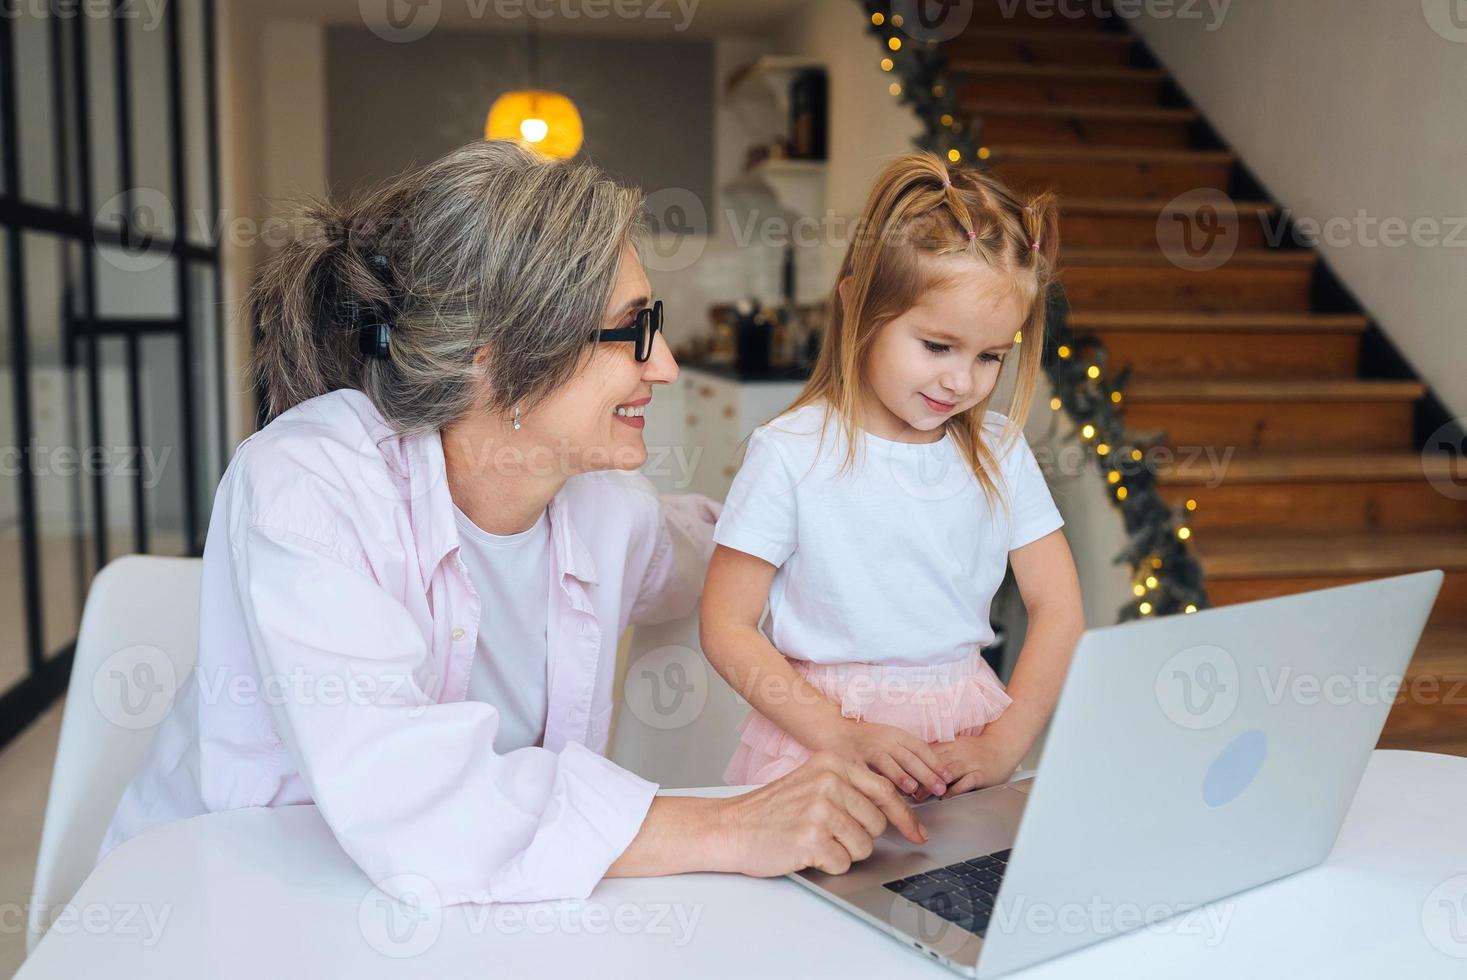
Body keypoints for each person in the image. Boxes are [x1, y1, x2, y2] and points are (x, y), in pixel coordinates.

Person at [96, 139, 930, 906]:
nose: (666, 366)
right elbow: (408, 795)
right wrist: (731, 826)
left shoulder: (605, 512)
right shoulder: (307, 486)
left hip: (454, 922)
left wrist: (857, 504)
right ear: (492, 350)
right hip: (232, 908)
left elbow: (718, 549)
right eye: (634, 330)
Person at [703, 151, 1085, 801]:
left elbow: (1059, 609)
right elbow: (726, 625)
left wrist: (1001, 744)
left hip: (961, 738)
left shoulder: (999, 451)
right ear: (858, 308)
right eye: (937, 346)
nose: (960, 380)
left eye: (990, 356)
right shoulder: (791, 453)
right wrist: (840, 736)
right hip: (821, 746)